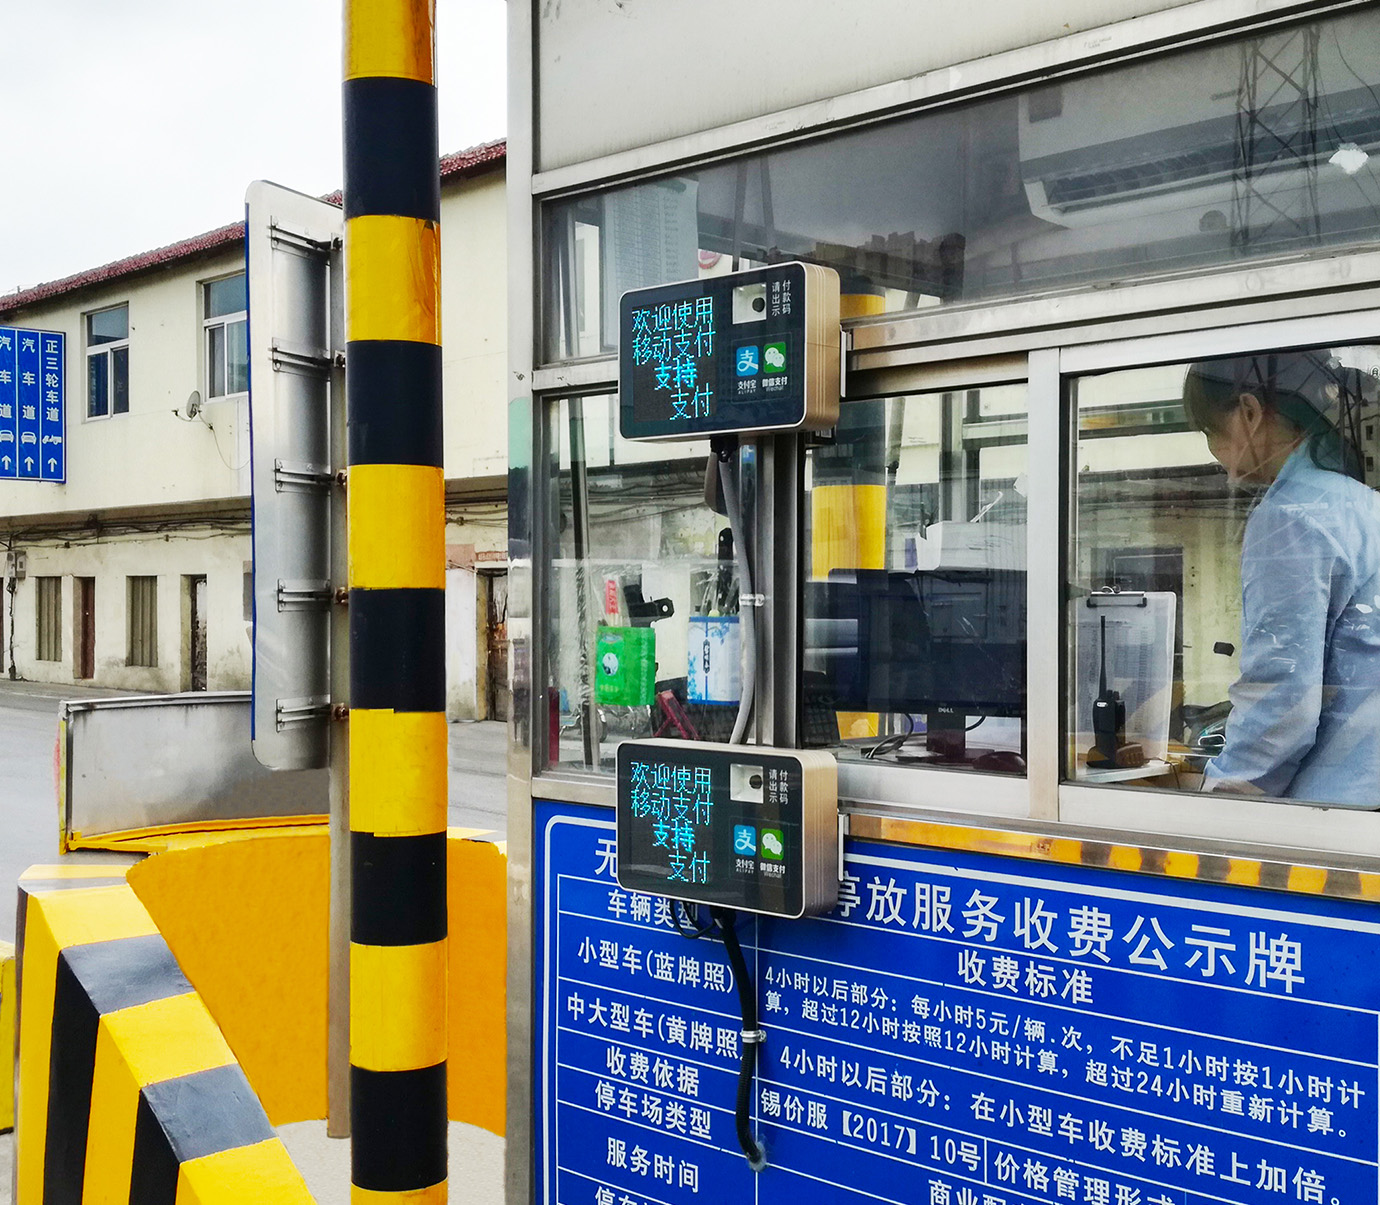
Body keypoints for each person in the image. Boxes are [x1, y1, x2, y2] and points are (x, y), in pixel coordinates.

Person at [1182, 350, 1380, 807]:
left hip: (1331, 806)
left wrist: (1222, 797)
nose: (1213, 449)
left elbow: (1282, 698)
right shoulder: (1361, 501)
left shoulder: (1290, 515)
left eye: (1212, 430)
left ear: (1250, 412)